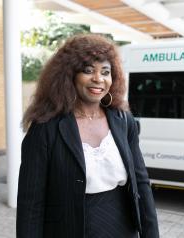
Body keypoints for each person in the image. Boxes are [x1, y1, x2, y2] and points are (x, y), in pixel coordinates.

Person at [17, 34, 159, 238]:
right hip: (68, 228)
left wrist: (151, 234)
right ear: (69, 75)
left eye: (106, 72)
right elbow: (31, 203)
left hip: (121, 227)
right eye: (88, 70)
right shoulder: (45, 128)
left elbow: (141, 183)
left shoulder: (123, 121)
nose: (98, 79)